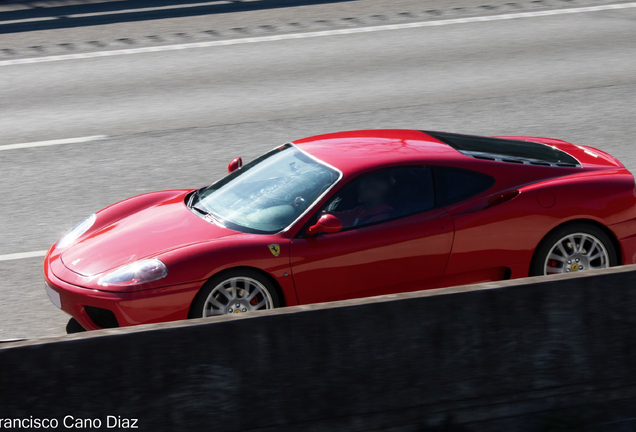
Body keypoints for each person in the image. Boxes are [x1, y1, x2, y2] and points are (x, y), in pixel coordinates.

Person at [328, 172, 395, 228]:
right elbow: (342, 217)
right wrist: (321, 214)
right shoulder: (361, 209)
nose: (360, 189)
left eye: (366, 186)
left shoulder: (381, 219)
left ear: (376, 192)